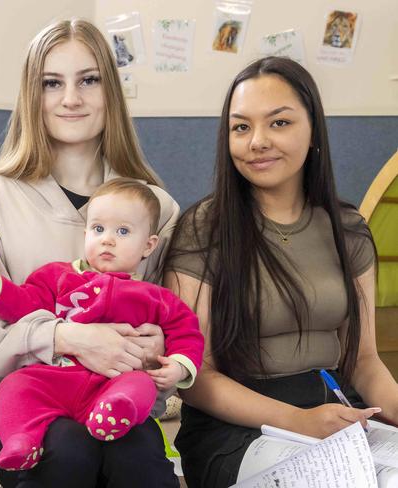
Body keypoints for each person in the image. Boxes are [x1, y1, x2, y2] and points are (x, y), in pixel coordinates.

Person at [0, 18, 181, 488]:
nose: (71, 98)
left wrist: (157, 353)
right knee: (68, 452)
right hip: (31, 412)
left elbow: (172, 331)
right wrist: (66, 338)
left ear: (110, 90)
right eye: (52, 83)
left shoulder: (160, 208)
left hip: (119, 405)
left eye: (88, 80)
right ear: (32, 97)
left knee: (142, 463)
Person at [164, 56, 398, 488]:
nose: (257, 141)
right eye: (241, 127)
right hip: (236, 429)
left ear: (312, 129)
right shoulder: (203, 230)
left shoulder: (348, 229)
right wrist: (297, 421)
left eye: (279, 123)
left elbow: (364, 360)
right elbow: (196, 378)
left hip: (337, 409)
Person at [0, 178, 203, 471]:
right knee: (16, 385)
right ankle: (22, 439)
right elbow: (21, 306)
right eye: (98, 229)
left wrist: (178, 366)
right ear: (86, 233)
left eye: (123, 231)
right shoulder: (56, 277)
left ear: (149, 245)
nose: (107, 239)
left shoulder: (154, 297)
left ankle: (114, 413)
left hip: (113, 382)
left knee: (139, 385)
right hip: (58, 377)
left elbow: (187, 331)